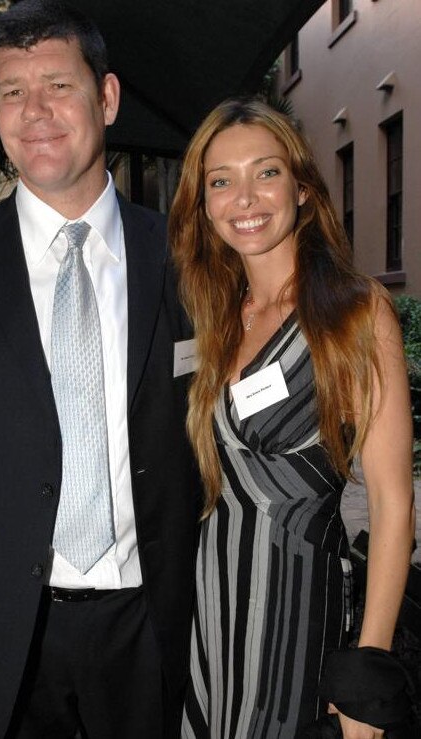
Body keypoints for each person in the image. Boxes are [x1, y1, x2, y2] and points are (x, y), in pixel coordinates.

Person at [0, 1, 201, 738]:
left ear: (108, 97)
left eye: (59, 85)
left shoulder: (186, 256)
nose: (36, 111)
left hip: (151, 616)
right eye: (12, 92)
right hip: (1, 619)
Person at [169, 98, 416, 739]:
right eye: (221, 181)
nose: (244, 198)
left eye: (266, 173)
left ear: (303, 187)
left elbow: (393, 503)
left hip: (296, 615)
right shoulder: (216, 315)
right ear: (203, 203)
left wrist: (368, 670)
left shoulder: (355, 312)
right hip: (210, 609)